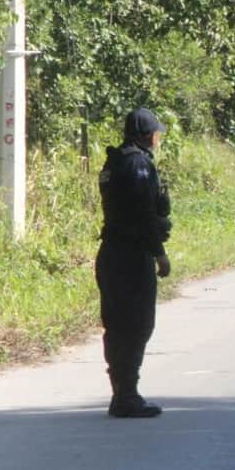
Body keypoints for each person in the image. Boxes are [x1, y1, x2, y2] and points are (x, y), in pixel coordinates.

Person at [95, 108, 172, 418]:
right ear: (146, 135)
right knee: (137, 324)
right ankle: (126, 395)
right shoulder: (138, 163)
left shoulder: (114, 161)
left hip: (111, 253)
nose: (158, 138)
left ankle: (122, 393)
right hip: (131, 256)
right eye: (156, 133)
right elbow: (142, 214)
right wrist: (159, 253)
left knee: (117, 325)